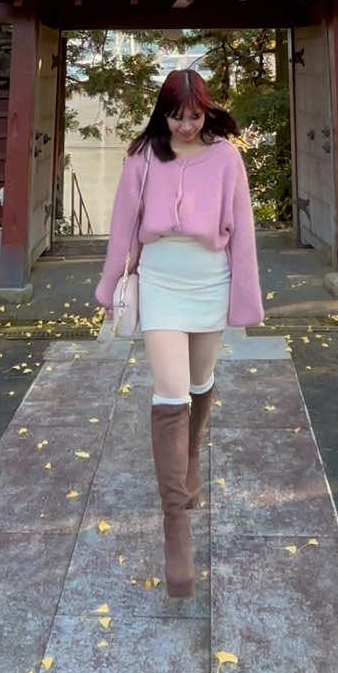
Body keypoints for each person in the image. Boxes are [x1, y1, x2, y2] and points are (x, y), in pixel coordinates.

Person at [94, 68, 264, 598]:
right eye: (176, 115)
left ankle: (191, 459)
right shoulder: (142, 156)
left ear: (207, 111)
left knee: (199, 382)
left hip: (210, 281)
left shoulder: (227, 158)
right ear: (162, 111)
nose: (185, 125)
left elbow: (244, 229)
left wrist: (245, 298)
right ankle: (177, 533)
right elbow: (124, 225)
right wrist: (108, 290)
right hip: (161, 280)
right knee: (169, 395)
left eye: (194, 116)